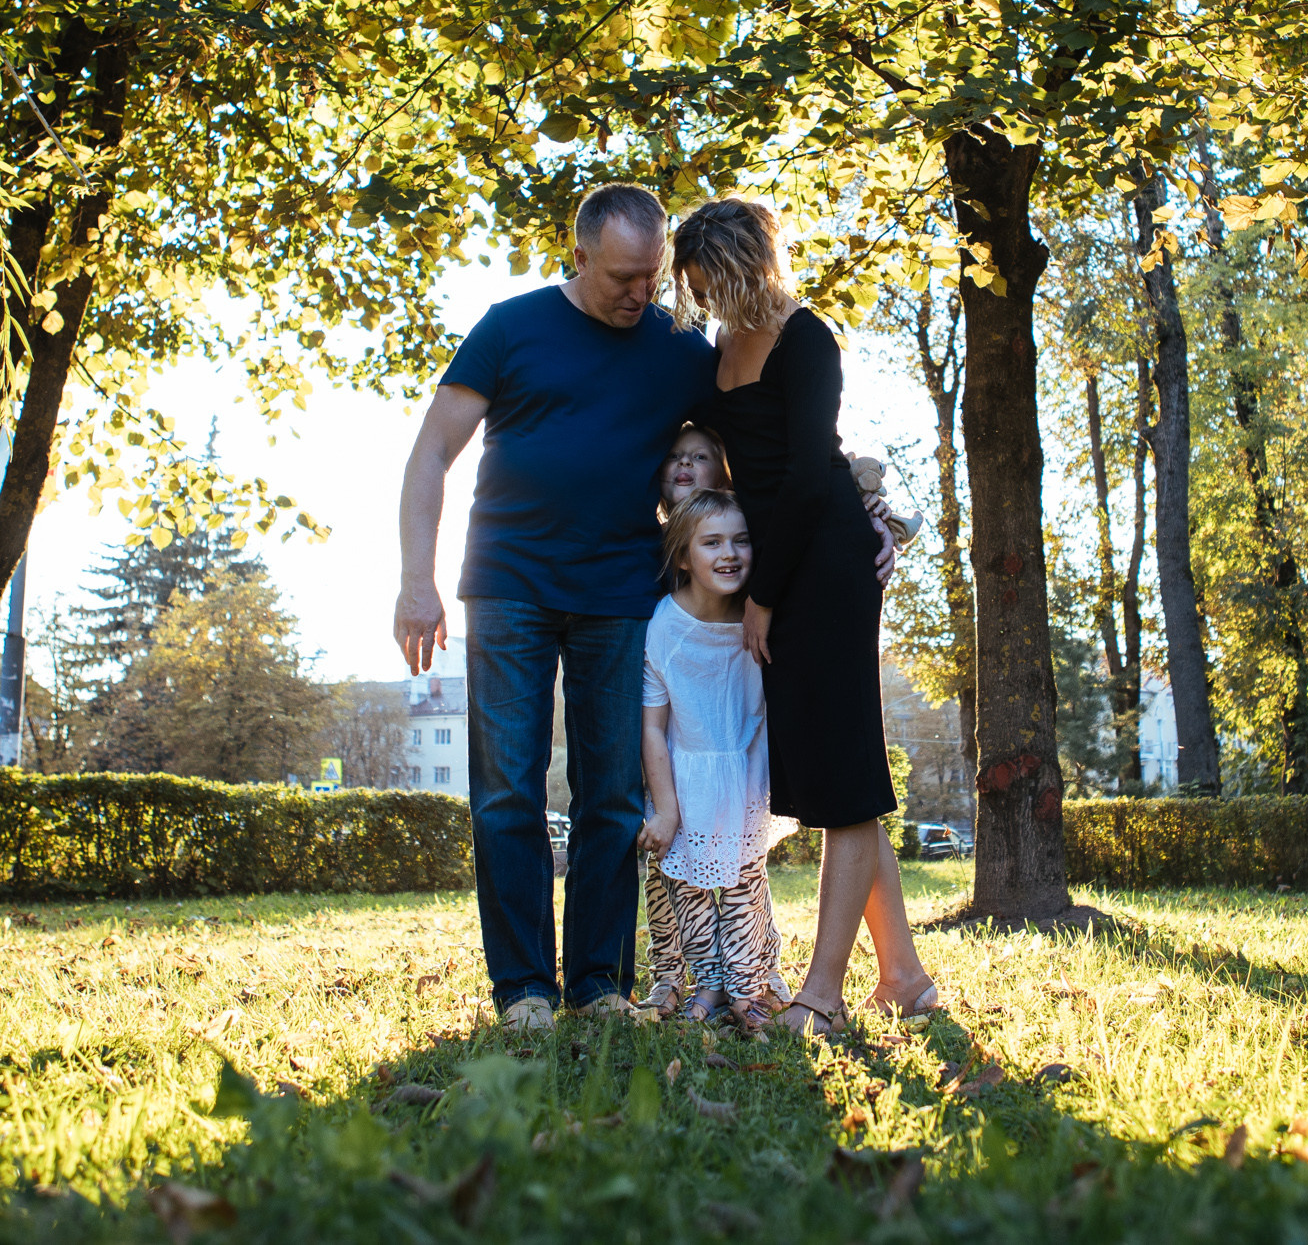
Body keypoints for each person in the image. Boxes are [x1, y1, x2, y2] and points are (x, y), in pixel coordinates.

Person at [393, 184, 716, 1029]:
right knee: (507, 789)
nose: (638, 293)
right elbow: (430, 453)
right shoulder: (512, 325)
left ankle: (601, 984)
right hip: (507, 587)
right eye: (620, 277)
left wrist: (856, 499)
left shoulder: (681, 346)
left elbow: (752, 438)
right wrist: (415, 579)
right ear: (579, 257)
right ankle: (525, 989)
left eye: (650, 276)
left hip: (620, 593)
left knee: (611, 792)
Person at [673, 196, 941, 1035]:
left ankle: (821, 998)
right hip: (778, 563)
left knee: (845, 783)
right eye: (694, 285)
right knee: (835, 777)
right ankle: (903, 975)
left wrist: (763, 597)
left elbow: (799, 474)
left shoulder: (806, 337)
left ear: (744, 261)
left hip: (820, 569)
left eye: (710, 279)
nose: (703, 297)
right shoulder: (717, 346)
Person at [637, 486, 797, 1026]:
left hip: (746, 773)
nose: (729, 553)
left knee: (743, 884)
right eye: (711, 543)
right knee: (687, 889)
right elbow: (653, 727)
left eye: (741, 541)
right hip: (684, 777)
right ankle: (706, 984)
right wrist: (666, 808)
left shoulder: (761, 614)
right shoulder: (663, 628)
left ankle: (748, 986)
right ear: (683, 556)